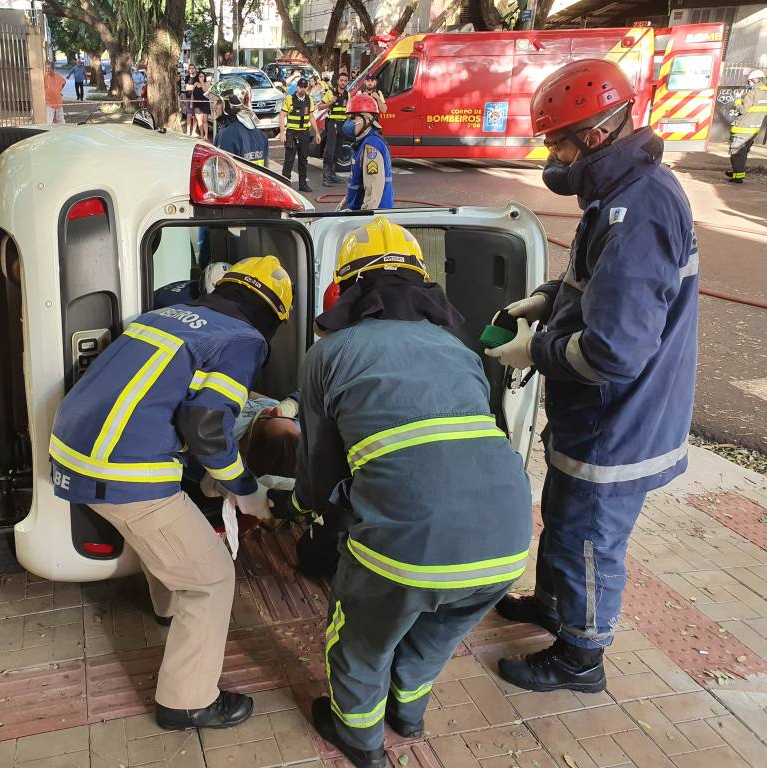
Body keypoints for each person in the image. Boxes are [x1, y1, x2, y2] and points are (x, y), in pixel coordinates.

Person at [485, 59, 699, 693]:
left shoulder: (641, 211)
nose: (552, 157)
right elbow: (592, 287)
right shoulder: (615, 198)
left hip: (618, 419)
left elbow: (614, 351)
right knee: (564, 513)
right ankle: (554, 608)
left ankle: (581, 657)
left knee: (588, 537)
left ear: (597, 134)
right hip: (592, 415)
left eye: (558, 142)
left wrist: (536, 352)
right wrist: (546, 301)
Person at [291, 216, 533, 768]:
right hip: (508, 540)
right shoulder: (459, 348)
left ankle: (358, 736)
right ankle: (409, 712)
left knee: (360, 639)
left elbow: (318, 462)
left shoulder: (329, 354)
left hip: (410, 544)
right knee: (438, 631)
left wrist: (303, 508)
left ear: (347, 289)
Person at [49, 256, 293, 731]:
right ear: (272, 315)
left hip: (74, 450)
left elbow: (166, 402)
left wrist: (212, 472)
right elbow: (206, 424)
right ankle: (188, 702)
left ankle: (169, 611)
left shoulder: (162, 318)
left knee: (172, 539)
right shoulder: (243, 339)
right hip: (121, 468)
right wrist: (244, 488)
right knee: (212, 577)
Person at [339, 94, 393, 210]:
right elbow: (360, 182)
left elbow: (374, 188)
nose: (349, 122)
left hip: (373, 217)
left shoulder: (371, 146)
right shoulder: (363, 142)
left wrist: (365, 216)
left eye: (353, 117)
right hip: (358, 211)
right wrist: (346, 201)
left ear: (367, 118)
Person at [210, 79, 269, 166]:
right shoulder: (260, 134)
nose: (214, 106)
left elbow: (222, 171)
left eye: (218, 102)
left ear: (230, 104)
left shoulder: (227, 134)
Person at [279, 77, 320, 192]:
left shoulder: (309, 100)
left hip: (304, 134)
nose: (302, 89)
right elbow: (282, 115)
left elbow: (311, 117)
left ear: (307, 88)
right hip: (291, 133)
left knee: (303, 160)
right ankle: (285, 186)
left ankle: (303, 185)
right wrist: (282, 133)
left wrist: (317, 133)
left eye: (304, 87)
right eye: (300, 87)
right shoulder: (289, 99)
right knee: (289, 161)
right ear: (297, 87)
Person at [726, 68, 766, 183]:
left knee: (737, 152)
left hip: (743, 128)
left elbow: (743, 110)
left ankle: (737, 177)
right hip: (754, 129)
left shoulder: (753, 92)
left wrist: (738, 99)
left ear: (755, 80)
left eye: (749, 81)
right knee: (743, 152)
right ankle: (737, 172)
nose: (748, 84)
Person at [321, 72, 349, 186]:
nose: (343, 82)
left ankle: (332, 175)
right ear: (338, 81)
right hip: (332, 123)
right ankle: (326, 177)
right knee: (330, 150)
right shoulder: (330, 92)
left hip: (343, 124)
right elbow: (320, 106)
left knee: (337, 150)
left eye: (345, 81)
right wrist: (330, 102)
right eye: (341, 80)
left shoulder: (348, 94)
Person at [192, 72, 212, 140]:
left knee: (204, 120)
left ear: (204, 77)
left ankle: (206, 135)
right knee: (199, 120)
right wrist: (192, 103)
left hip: (205, 104)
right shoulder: (195, 84)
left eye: (202, 76)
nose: (201, 77)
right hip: (197, 104)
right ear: (198, 77)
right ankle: (201, 134)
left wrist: (202, 82)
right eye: (200, 76)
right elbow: (192, 94)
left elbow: (205, 91)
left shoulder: (207, 83)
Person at [183, 64, 199, 136]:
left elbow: (198, 87)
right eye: (190, 68)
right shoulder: (187, 77)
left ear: (195, 69)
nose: (191, 70)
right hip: (188, 97)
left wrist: (192, 86)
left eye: (192, 68)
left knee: (195, 115)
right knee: (189, 115)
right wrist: (194, 86)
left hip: (196, 98)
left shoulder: (198, 77)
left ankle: (193, 131)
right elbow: (187, 88)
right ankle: (188, 131)